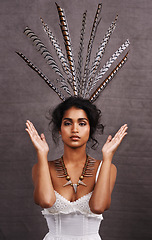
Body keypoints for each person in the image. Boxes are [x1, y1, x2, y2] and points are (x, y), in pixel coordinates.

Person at [25, 96, 128, 240]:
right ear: (60, 130)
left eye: (82, 123)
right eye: (67, 123)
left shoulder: (107, 168)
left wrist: (108, 156)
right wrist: (42, 154)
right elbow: (46, 201)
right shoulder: (41, 168)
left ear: (90, 129)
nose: (74, 129)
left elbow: (98, 207)